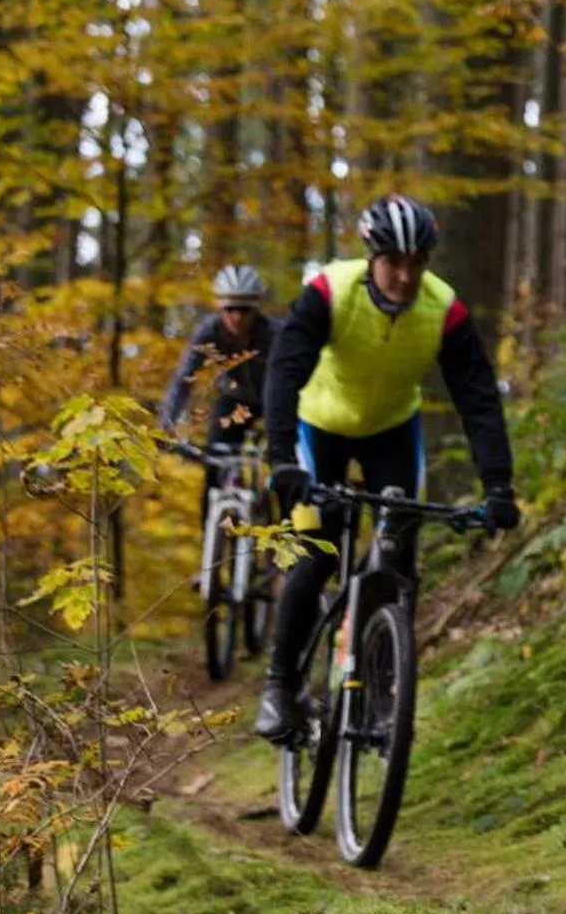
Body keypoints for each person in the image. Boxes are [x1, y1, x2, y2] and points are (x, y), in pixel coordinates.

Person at [253, 194, 521, 741]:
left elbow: (478, 400)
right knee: (315, 554)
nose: (404, 275)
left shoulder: (443, 309)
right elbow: (284, 370)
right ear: (373, 257)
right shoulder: (330, 291)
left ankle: (378, 688)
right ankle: (280, 688)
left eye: (416, 263)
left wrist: (498, 485)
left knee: (399, 563)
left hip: (391, 433)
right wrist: (281, 457)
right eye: (394, 262)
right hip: (317, 428)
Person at [158, 265, 276, 526]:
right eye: (229, 309)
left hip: (273, 401)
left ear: (256, 308)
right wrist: (167, 424)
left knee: (284, 471)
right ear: (220, 307)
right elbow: (182, 380)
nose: (236, 316)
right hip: (233, 401)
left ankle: (285, 545)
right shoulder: (208, 332)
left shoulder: (273, 334)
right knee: (214, 469)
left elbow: (292, 380)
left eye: (244, 309)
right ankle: (208, 547)